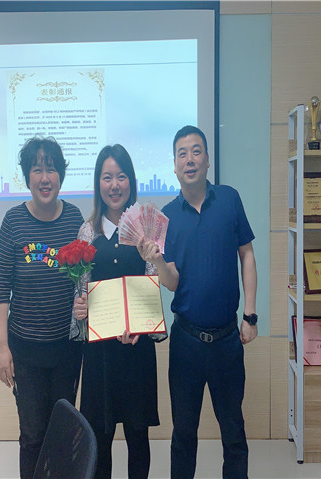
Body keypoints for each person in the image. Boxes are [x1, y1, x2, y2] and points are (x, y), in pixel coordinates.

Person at [138, 125, 258, 479]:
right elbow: (172, 282)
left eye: (196, 151)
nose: (189, 160)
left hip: (227, 340)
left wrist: (250, 315)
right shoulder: (166, 217)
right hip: (186, 343)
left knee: (233, 431)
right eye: (182, 154)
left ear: (207, 160)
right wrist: (158, 261)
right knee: (183, 434)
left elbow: (247, 255)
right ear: (174, 166)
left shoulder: (230, 200)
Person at [0, 136, 84, 479]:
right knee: (32, 436)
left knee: (62, 435)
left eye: (52, 169)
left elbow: (84, 278)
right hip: (26, 351)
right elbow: (0, 288)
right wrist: (2, 348)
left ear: (61, 175)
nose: (45, 178)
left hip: (66, 349)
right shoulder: (13, 222)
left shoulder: (74, 219)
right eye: (37, 169)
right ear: (27, 176)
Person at [73, 144, 165, 479]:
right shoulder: (88, 232)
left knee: (138, 437)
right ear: (98, 183)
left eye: (121, 176)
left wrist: (141, 327)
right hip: (100, 355)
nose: (114, 185)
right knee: (100, 438)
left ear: (131, 181)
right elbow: (81, 290)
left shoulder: (146, 230)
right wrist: (80, 308)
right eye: (107, 177)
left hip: (136, 350)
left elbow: (153, 282)